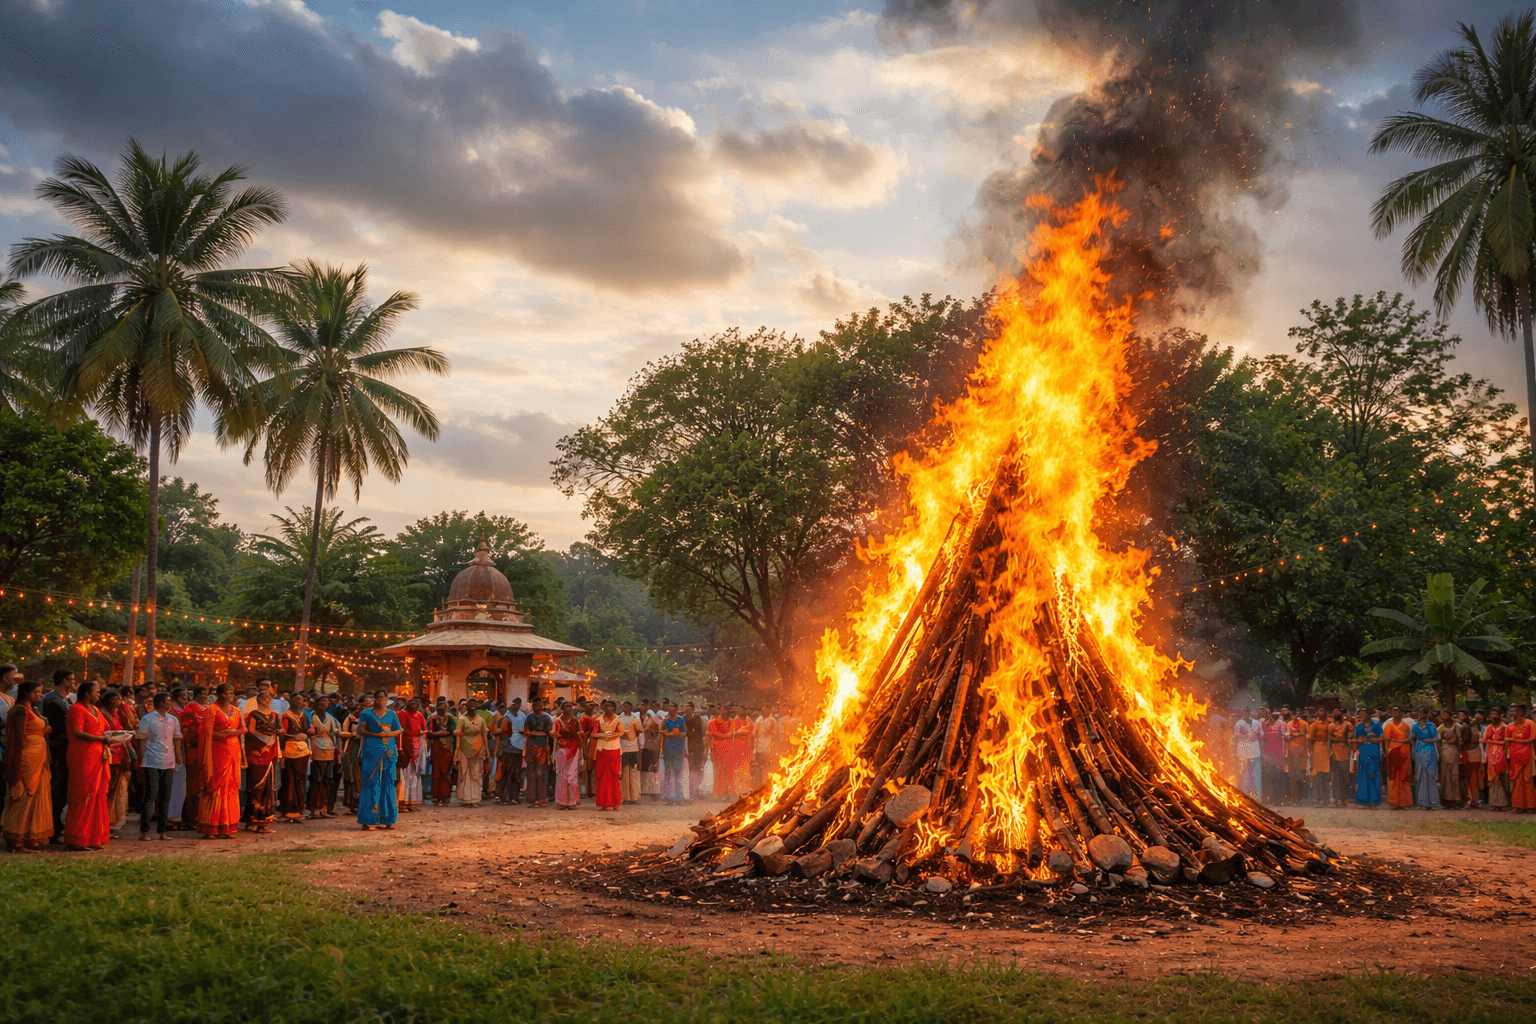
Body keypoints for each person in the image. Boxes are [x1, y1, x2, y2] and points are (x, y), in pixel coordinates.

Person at [62, 679, 113, 850]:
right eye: (96, 691)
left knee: (98, 795)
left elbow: (106, 728)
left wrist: (115, 737)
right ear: (86, 693)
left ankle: (93, 837)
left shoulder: (97, 710)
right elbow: (77, 732)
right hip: (82, 755)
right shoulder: (76, 709)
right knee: (82, 794)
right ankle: (76, 839)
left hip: (98, 755)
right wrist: (102, 739)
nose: (99, 694)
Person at [3, 681, 53, 852]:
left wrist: (44, 730)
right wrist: (14, 766)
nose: (40, 695)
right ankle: (16, 839)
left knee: (37, 796)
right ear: (27, 693)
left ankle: (30, 836)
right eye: (37, 692)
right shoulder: (19, 710)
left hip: (39, 757)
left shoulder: (35, 709)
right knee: (23, 796)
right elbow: (17, 738)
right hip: (26, 759)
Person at [134, 691, 183, 841]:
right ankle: (145, 831)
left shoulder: (173, 720)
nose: (170, 703)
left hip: (168, 761)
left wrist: (178, 759)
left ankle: (162, 831)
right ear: (160, 702)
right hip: (151, 760)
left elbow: (177, 739)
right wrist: (142, 759)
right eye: (167, 701)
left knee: (165, 797)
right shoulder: (148, 719)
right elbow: (141, 740)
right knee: (150, 795)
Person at [197, 683, 244, 839]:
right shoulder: (211, 710)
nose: (231, 695)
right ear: (220, 694)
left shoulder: (237, 711)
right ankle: (210, 826)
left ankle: (227, 826)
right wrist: (223, 734)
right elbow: (206, 734)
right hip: (216, 752)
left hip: (233, 752)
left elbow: (244, 729)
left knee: (231, 788)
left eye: (232, 692)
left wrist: (236, 732)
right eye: (228, 693)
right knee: (215, 787)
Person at [356, 689, 402, 830]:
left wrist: (388, 734)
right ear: (375, 699)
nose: (381, 700)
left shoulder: (392, 714)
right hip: (372, 748)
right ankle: (369, 819)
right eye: (379, 698)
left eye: (384, 697)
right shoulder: (366, 713)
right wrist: (375, 734)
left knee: (388, 782)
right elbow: (360, 730)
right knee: (371, 781)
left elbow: (399, 729)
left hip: (389, 749)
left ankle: (388, 818)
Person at [41, 669, 75, 841]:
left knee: (61, 791)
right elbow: (60, 728)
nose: (73, 683)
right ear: (63, 681)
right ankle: (53, 829)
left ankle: (56, 827)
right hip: (57, 749)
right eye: (71, 680)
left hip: (64, 749)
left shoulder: (65, 699)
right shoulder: (52, 700)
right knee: (57, 791)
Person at [243, 688, 281, 834]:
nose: (266, 699)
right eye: (263, 696)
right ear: (257, 699)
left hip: (270, 754)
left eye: (269, 697)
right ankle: (252, 819)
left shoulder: (274, 715)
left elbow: (280, 730)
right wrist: (262, 742)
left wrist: (278, 733)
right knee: (255, 787)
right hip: (257, 754)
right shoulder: (253, 715)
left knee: (268, 788)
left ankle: (263, 821)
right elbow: (250, 733)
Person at [453, 697, 493, 808]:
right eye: (469, 707)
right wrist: (456, 755)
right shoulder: (462, 720)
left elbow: (484, 736)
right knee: (464, 774)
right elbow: (458, 739)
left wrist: (487, 750)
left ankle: (475, 798)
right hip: (464, 750)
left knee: (476, 774)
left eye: (473, 707)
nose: (471, 709)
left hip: (478, 750)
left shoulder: (481, 721)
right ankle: (465, 799)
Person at [280, 693, 312, 823]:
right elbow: (283, 734)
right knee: (289, 780)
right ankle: (288, 810)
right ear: (291, 701)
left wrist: (306, 735)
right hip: (290, 749)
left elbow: (307, 730)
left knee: (301, 780)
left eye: (301, 700)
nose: (299, 702)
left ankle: (299, 810)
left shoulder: (303, 715)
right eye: (297, 699)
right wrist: (294, 737)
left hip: (302, 750)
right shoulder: (286, 716)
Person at [307, 695, 340, 818]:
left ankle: (324, 808)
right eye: (321, 701)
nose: (324, 703)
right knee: (316, 779)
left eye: (326, 702)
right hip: (316, 747)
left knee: (327, 779)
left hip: (329, 748)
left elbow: (333, 731)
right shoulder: (312, 716)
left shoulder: (330, 717)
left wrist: (337, 733)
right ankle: (313, 808)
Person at [593, 700, 623, 811]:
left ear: (614, 708)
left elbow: (621, 731)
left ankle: (615, 803)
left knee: (614, 775)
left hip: (614, 748)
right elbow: (594, 733)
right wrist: (602, 735)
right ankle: (603, 803)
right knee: (602, 776)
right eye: (606, 706)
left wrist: (613, 736)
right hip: (602, 748)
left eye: (610, 706)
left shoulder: (617, 719)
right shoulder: (598, 719)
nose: (608, 708)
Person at [552, 703, 583, 810]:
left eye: (570, 707)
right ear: (563, 709)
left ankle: (572, 801)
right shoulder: (558, 721)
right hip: (561, 749)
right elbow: (554, 735)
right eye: (566, 707)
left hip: (574, 749)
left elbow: (579, 735)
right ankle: (561, 802)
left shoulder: (576, 721)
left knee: (572, 775)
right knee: (561, 776)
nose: (569, 709)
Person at [495, 697, 526, 805]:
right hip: (506, 748)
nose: (516, 706)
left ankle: (514, 797)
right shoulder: (504, 717)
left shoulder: (523, 716)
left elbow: (526, 729)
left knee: (515, 774)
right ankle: (503, 797)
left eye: (518, 704)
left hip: (518, 749)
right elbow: (498, 732)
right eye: (514, 704)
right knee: (504, 773)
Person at [522, 698, 553, 806]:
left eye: (538, 705)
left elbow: (550, 734)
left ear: (542, 706)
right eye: (534, 705)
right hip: (531, 747)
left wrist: (535, 733)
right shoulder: (529, 717)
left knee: (541, 773)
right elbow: (526, 731)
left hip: (543, 748)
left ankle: (542, 798)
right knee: (531, 773)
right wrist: (533, 734)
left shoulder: (546, 718)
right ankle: (531, 798)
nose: (536, 707)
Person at [397, 698, 426, 812]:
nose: (414, 705)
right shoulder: (401, 714)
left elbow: (424, 730)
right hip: (404, 747)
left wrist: (417, 733)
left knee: (414, 775)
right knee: (403, 774)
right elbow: (399, 730)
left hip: (417, 746)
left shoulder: (420, 716)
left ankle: (413, 801)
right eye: (412, 703)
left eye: (416, 704)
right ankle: (402, 802)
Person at [1382, 707, 1413, 809]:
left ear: (1401, 713)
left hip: (1404, 752)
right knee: (1393, 776)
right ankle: (1394, 801)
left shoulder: (1406, 726)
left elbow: (1408, 739)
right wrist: (1386, 754)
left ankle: (1405, 802)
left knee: (1404, 776)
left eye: (1397, 711)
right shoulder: (1389, 726)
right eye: (1393, 711)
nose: (1395, 713)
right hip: (1392, 752)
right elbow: (1386, 741)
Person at [1410, 707, 1440, 810]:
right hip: (1419, 750)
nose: (1419, 714)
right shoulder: (1416, 725)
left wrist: (1429, 740)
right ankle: (1421, 802)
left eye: (1421, 713)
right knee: (1420, 774)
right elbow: (1411, 737)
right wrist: (1413, 746)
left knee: (1429, 775)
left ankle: (1432, 802)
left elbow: (1437, 738)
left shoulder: (1431, 725)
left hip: (1429, 750)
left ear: (1426, 714)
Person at [1509, 704, 1535, 813]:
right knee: (1516, 780)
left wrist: (1516, 739)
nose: (1516, 713)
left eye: (1518, 711)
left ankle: (1530, 806)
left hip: (1527, 756)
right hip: (1514, 756)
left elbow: (1532, 738)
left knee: (1527, 779)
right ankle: (1518, 805)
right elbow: (1506, 739)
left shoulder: (1531, 724)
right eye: (1514, 711)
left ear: (1523, 712)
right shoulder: (1511, 726)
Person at [1483, 708, 1510, 811]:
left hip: (1501, 754)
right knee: (1492, 778)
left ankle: (1503, 803)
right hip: (1491, 754)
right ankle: (1494, 803)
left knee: (1500, 777)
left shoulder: (1505, 727)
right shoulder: (1489, 727)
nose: (1494, 716)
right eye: (1492, 714)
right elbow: (1485, 740)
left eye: (1495, 714)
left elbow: (1506, 742)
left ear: (1500, 715)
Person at [1436, 709, 1464, 808]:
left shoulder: (1457, 726)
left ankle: (1457, 799)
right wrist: (1439, 754)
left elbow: (1460, 741)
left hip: (1454, 752)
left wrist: (1460, 755)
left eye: (1445, 714)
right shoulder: (1441, 728)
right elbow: (1438, 742)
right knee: (1445, 776)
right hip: (1444, 752)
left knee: (1454, 776)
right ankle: (1447, 799)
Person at [661, 703, 687, 804]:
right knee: (668, 773)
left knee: (677, 773)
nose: (670, 711)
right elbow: (661, 733)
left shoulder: (681, 720)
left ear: (676, 710)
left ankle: (679, 797)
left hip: (678, 748)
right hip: (668, 749)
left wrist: (678, 734)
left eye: (672, 710)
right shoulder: (665, 720)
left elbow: (685, 733)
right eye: (669, 709)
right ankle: (668, 797)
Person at [1231, 710, 1261, 797]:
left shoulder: (1257, 723)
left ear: (1249, 714)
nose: (1244, 715)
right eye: (1243, 713)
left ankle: (1257, 798)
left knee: (1256, 776)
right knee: (1245, 775)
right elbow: (1236, 736)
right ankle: (1247, 796)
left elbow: (1261, 736)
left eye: (1246, 713)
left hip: (1255, 753)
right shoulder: (1239, 723)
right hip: (1243, 754)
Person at [618, 701, 641, 805]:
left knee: (633, 771)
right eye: (624, 706)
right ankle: (625, 797)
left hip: (633, 746)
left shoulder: (635, 718)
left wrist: (634, 731)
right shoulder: (619, 718)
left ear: (631, 707)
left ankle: (634, 796)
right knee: (624, 772)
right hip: (623, 746)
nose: (625, 708)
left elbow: (640, 730)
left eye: (627, 706)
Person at [752, 708, 781, 787]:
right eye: (762, 710)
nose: (763, 711)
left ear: (769, 711)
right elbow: (754, 732)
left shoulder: (773, 720)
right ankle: (759, 784)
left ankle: (766, 784)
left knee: (766, 767)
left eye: (765, 710)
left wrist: (768, 732)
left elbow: (776, 733)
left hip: (768, 747)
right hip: (759, 747)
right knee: (759, 767)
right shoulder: (759, 719)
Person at [1307, 710, 1330, 807]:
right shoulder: (1314, 725)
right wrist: (1311, 752)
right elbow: (1310, 739)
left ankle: (1326, 800)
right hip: (1316, 749)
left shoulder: (1329, 723)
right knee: (1316, 777)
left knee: (1325, 776)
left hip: (1326, 749)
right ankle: (1317, 799)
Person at [683, 702, 706, 802]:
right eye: (685, 709)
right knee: (688, 769)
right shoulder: (682, 718)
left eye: (688, 710)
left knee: (695, 769)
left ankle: (695, 790)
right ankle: (689, 791)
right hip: (687, 747)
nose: (686, 711)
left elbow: (696, 732)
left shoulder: (697, 718)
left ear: (692, 710)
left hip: (696, 748)